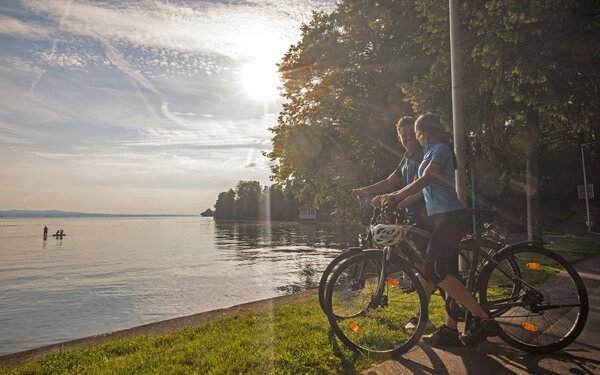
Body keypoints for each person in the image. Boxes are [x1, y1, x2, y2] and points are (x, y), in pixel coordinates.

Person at [378, 113, 501, 347]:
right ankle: (450, 330)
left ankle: (481, 316)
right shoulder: (429, 151)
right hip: (441, 218)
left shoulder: (441, 149)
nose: (414, 136)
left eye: (415, 132)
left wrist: (396, 194)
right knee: (446, 272)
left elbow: (426, 178)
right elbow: (421, 190)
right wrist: (394, 201)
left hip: (451, 217)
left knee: (433, 271)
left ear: (424, 131)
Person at [351, 115, 434, 331]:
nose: (407, 138)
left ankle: (423, 315)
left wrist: (397, 201)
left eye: (410, 134)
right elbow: (390, 181)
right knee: (408, 257)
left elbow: (421, 187)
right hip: (410, 216)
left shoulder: (424, 154)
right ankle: (412, 280)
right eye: (403, 135)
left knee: (426, 268)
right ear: (399, 137)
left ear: (417, 133)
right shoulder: (407, 157)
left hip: (425, 215)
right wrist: (365, 190)